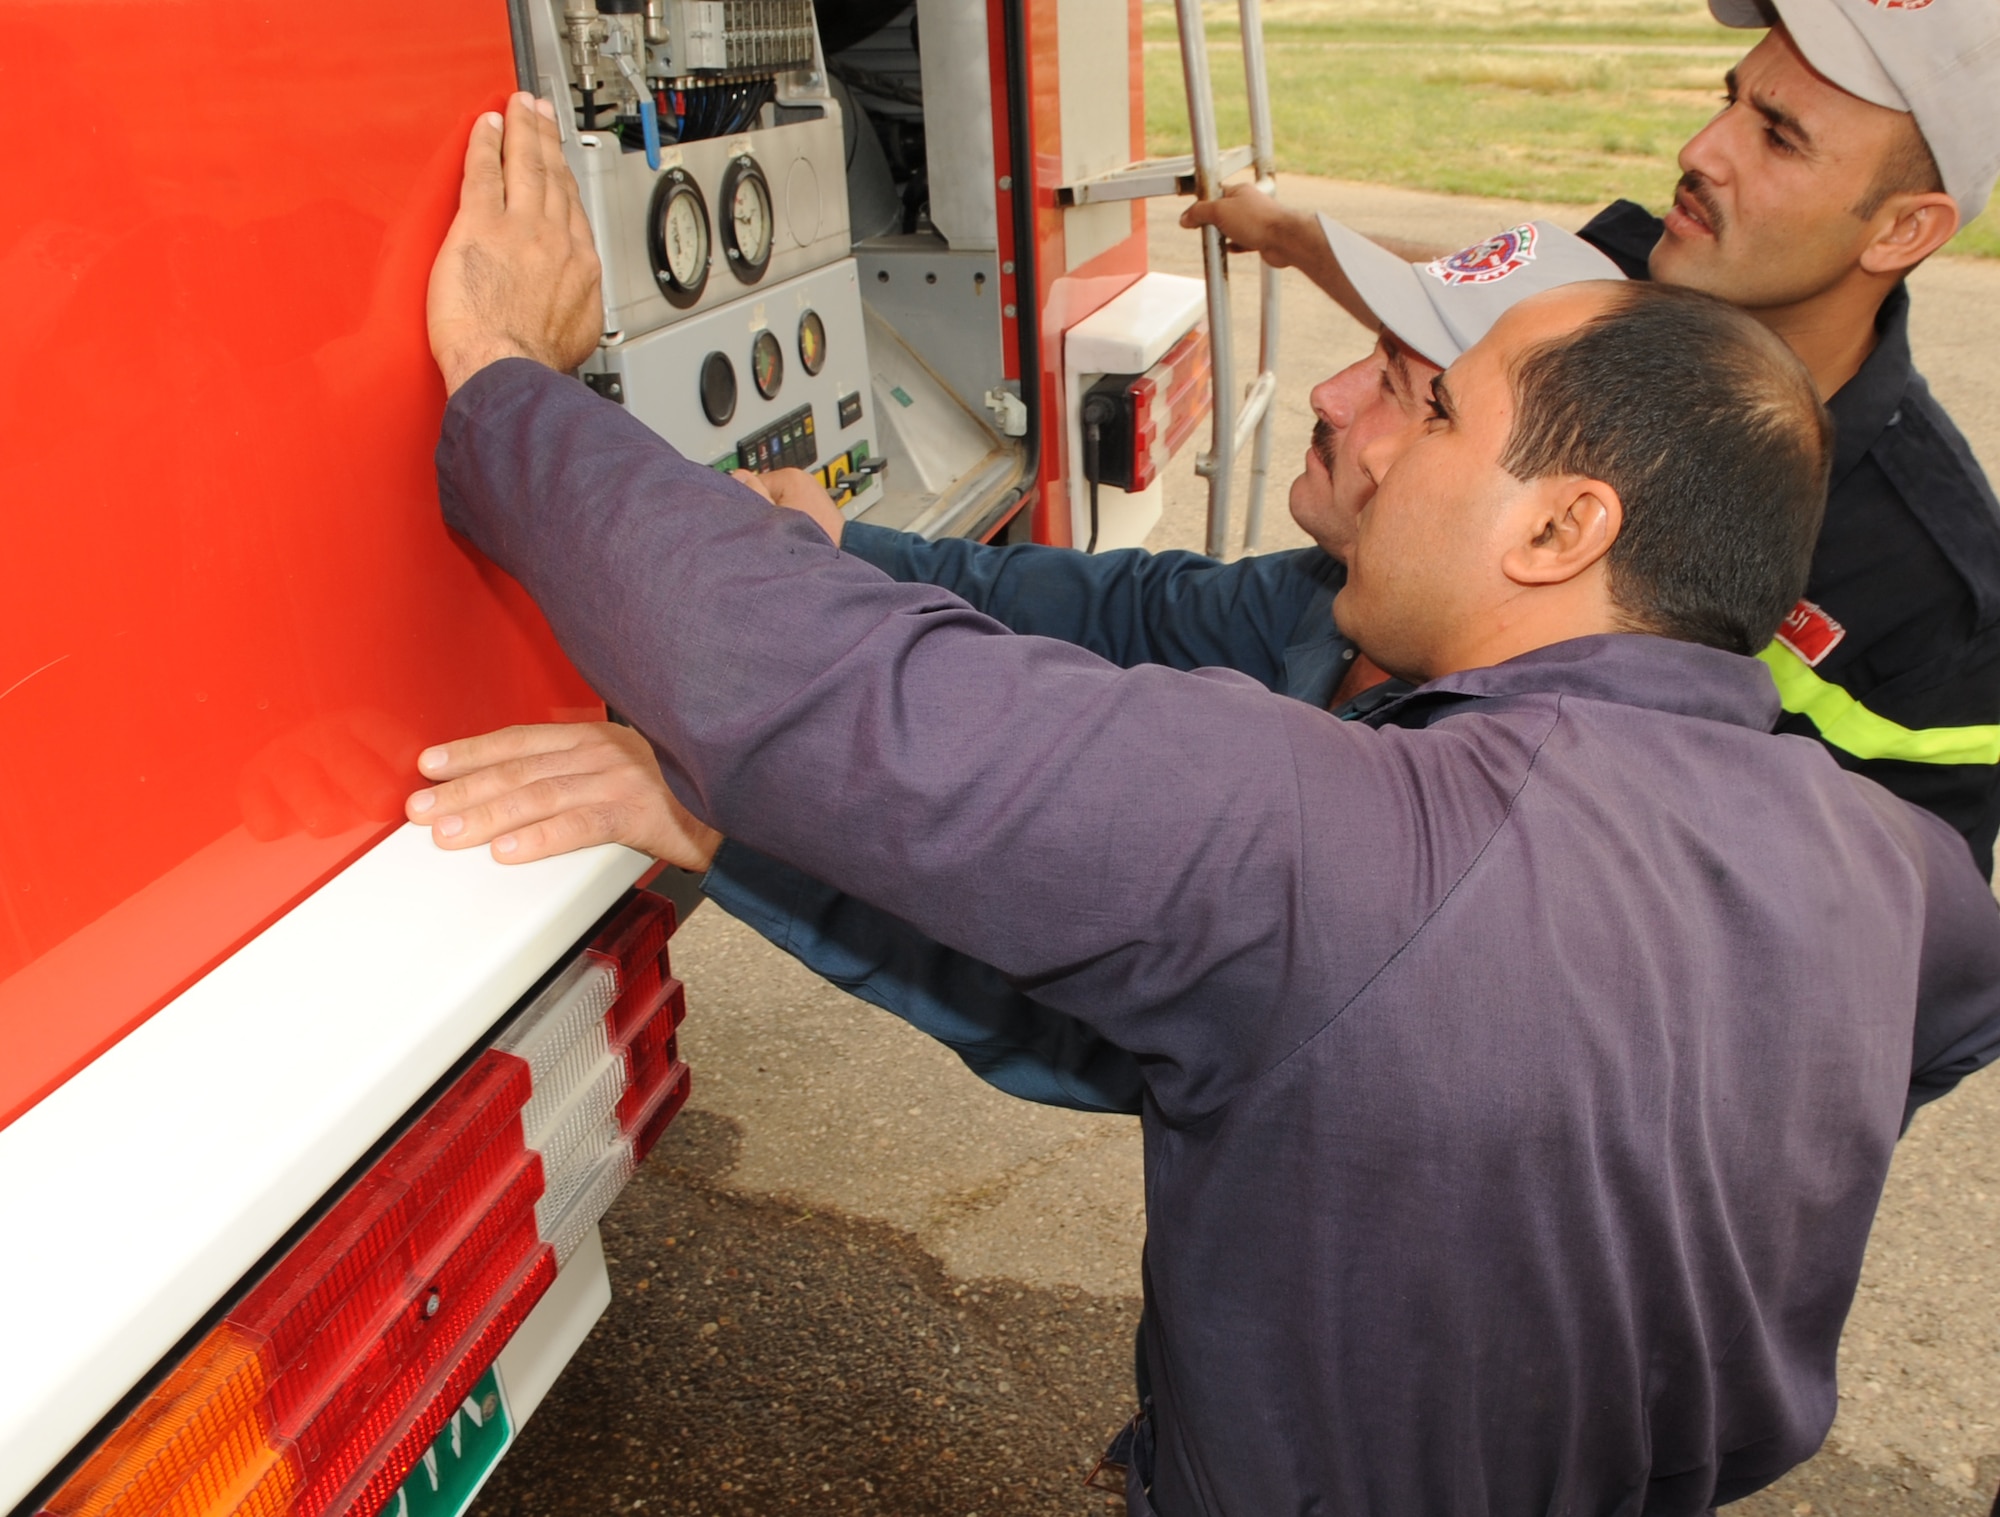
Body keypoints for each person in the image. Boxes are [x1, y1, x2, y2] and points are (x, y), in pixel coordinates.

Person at [413, 96, 2000, 1513]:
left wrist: (503, 379)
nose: (1382, 439)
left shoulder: (1356, 842)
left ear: (1563, 527)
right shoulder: (1907, 879)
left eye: (1442, 412)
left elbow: (836, 697)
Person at [1185, 0, 2000, 873]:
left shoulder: (1939, 598)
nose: (1699, 149)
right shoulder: (1626, 271)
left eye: (1777, 137)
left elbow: (1900, 941)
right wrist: (1294, 238)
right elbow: (1442, 318)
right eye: (1729, 100)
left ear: (1904, 228)